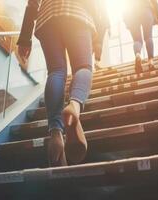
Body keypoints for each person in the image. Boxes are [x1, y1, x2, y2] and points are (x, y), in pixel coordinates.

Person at [17, 0, 98, 166]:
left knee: (56, 72)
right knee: (83, 67)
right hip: (78, 11)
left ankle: (55, 132)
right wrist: (99, 38)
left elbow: (32, 3)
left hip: (47, 17)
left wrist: (25, 38)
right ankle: (74, 107)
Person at [123, 0, 158, 73]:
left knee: (137, 40)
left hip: (131, 14)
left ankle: (138, 55)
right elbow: (154, 2)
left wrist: (126, 20)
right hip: (146, 10)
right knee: (148, 37)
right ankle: (150, 62)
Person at [92, 0, 110, 70]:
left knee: (93, 43)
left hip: (93, 22)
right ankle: (96, 62)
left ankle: (93, 63)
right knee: (98, 43)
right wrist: (109, 26)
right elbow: (105, 11)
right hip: (101, 23)